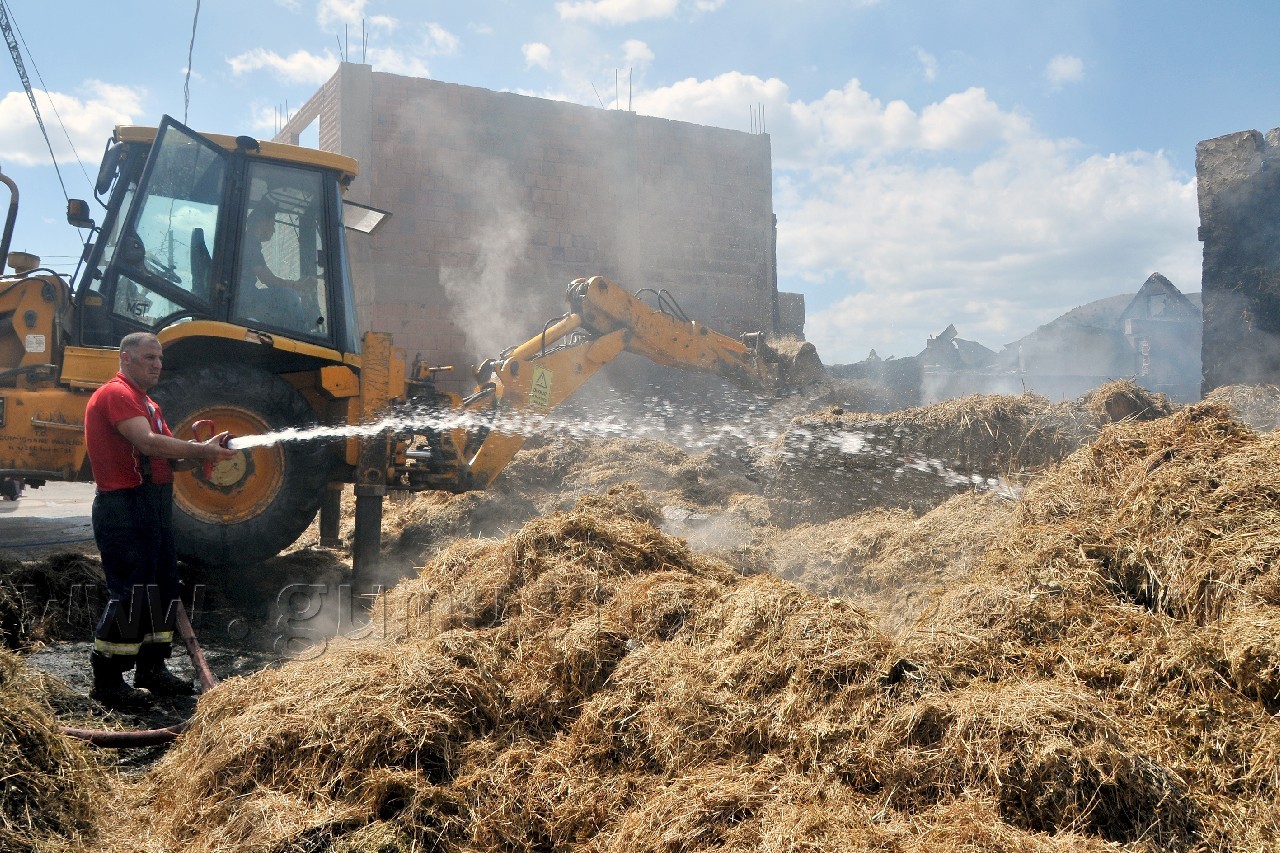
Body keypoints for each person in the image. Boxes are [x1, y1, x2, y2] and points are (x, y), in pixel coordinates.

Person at [83, 332, 236, 708]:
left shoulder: (148, 403)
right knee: (132, 592)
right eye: (149, 357)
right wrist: (199, 449)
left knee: (164, 587)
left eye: (160, 359)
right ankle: (108, 679)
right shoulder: (116, 394)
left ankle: (152, 669)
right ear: (125, 357)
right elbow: (148, 443)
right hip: (124, 506)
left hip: (152, 505)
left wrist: (204, 456)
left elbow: (169, 458)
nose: (157, 364)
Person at [239, 206, 316, 331]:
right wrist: (298, 286)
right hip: (244, 301)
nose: (274, 230)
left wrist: (295, 284)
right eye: (273, 224)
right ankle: (305, 337)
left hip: (243, 299)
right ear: (262, 222)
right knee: (288, 298)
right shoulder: (249, 243)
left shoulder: (248, 243)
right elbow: (269, 280)